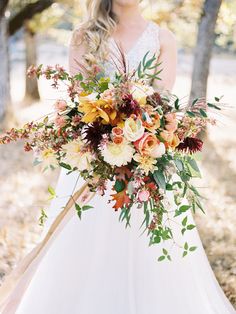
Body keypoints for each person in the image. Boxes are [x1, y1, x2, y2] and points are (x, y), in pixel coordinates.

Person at [0, 0, 235, 313]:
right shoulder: (85, 35)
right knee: (83, 244)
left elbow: (160, 106)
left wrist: (141, 141)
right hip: (93, 162)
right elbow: (81, 102)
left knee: (150, 248)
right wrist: (110, 138)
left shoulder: (163, 39)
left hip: (148, 160)